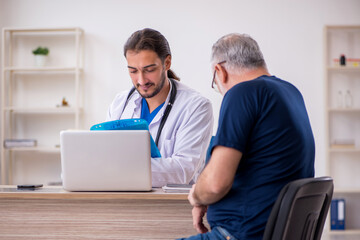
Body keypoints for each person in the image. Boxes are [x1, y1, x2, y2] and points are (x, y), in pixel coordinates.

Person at [179, 33, 315, 240]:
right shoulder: (290, 92)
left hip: (240, 234)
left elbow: (215, 184)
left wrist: (197, 195)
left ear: (219, 71)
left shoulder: (242, 93)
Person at [106, 28, 213, 188]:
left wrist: (121, 169)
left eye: (149, 70)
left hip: (171, 206)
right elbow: (105, 153)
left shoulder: (196, 106)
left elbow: (183, 170)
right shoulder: (121, 103)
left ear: (167, 63)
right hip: (124, 198)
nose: (141, 80)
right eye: (133, 71)